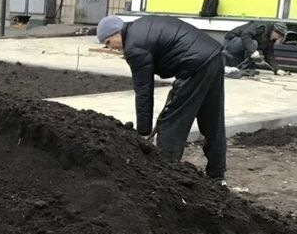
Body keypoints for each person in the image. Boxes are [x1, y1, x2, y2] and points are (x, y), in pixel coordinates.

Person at [97, 15, 227, 185]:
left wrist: (143, 132)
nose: (111, 48)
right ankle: (217, 177)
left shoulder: (134, 47)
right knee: (212, 120)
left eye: (108, 42)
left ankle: (165, 179)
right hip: (214, 57)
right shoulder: (140, 26)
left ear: (116, 34)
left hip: (194, 65)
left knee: (171, 123)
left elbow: (144, 90)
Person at [222, 20, 288, 76]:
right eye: (279, 36)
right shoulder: (261, 27)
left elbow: (269, 54)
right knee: (253, 43)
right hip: (230, 42)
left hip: (240, 48)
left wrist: (277, 69)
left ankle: (247, 68)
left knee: (252, 45)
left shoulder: (271, 39)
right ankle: (245, 68)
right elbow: (245, 35)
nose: (278, 38)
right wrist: (253, 50)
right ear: (274, 31)